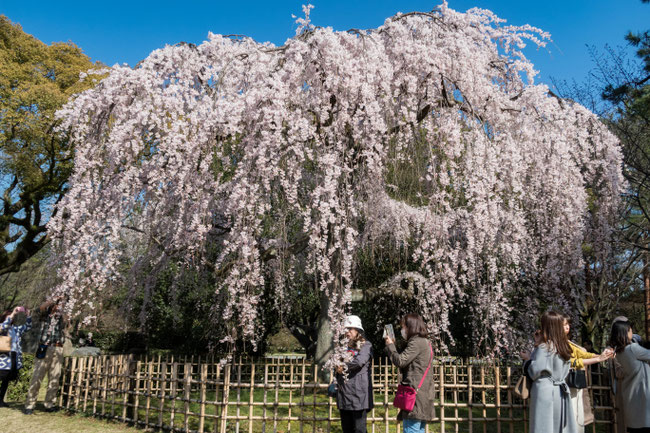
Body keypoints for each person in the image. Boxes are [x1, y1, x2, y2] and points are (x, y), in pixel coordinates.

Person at [520, 311, 577, 433]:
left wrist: (528, 360)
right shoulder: (563, 346)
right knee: (557, 426)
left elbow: (534, 370)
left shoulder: (544, 347)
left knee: (543, 426)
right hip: (560, 391)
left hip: (544, 390)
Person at [562, 315, 614, 432]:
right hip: (565, 384)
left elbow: (584, 354)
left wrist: (602, 356)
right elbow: (570, 362)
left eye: (568, 324)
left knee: (577, 414)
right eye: (563, 325)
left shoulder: (568, 343)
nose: (567, 327)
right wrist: (598, 358)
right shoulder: (555, 344)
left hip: (575, 383)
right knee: (569, 416)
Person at [384, 313, 435, 433]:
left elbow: (401, 361)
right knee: (418, 430)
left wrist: (390, 346)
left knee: (411, 430)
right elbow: (410, 365)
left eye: (403, 327)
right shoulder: (424, 342)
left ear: (411, 327)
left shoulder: (416, 342)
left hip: (415, 396)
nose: (402, 330)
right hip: (423, 395)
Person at [23, 298, 68, 414]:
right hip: (44, 348)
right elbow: (38, 310)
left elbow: (68, 322)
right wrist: (51, 301)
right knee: (37, 376)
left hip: (57, 348)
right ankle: (30, 405)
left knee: (55, 377)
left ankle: (49, 404)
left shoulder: (61, 318)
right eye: (56, 305)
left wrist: (64, 310)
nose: (57, 307)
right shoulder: (43, 317)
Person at [609, 320, 650, 433]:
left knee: (634, 426)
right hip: (643, 393)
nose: (632, 333)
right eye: (630, 330)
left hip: (631, 394)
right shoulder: (633, 348)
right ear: (625, 333)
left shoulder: (618, 352)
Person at [334, 315, 373, 433]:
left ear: (358, 330)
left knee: (359, 429)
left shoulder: (366, 345)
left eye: (350, 329)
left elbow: (360, 361)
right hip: (343, 391)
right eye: (345, 329)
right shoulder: (342, 346)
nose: (347, 332)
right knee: (346, 428)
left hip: (358, 393)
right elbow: (335, 362)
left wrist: (343, 367)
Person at [0, 306, 32, 407]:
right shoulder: (2, 327)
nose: (11, 318)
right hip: (3, 357)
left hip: (13, 356)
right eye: (9, 317)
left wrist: (28, 315)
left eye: (12, 317)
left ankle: (0, 400)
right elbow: (4, 325)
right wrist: (13, 313)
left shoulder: (15, 329)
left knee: (6, 380)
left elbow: (27, 326)